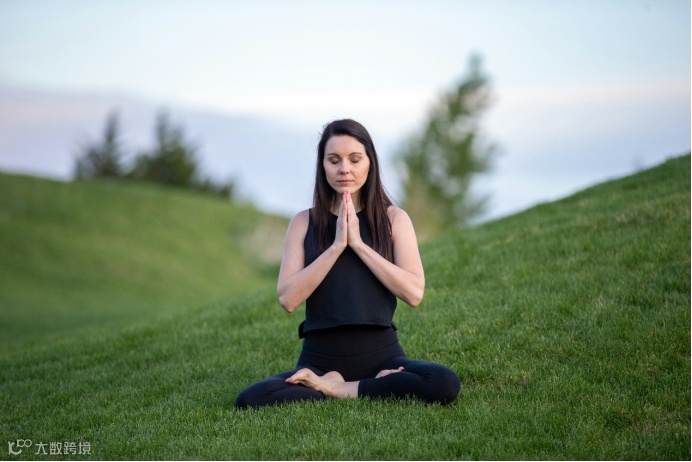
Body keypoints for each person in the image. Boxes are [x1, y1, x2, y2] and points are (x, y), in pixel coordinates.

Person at [235, 119, 460, 409]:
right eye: (334, 160)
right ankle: (353, 384)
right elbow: (288, 299)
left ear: (370, 163)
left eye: (354, 159)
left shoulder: (394, 219)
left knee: (443, 382)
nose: (344, 169)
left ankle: (338, 388)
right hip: (319, 360)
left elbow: (414, 293)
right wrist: (337, 245)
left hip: (383, 357)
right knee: (251, 399)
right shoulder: (303, 222)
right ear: (323, 166)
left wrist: (359, 245)